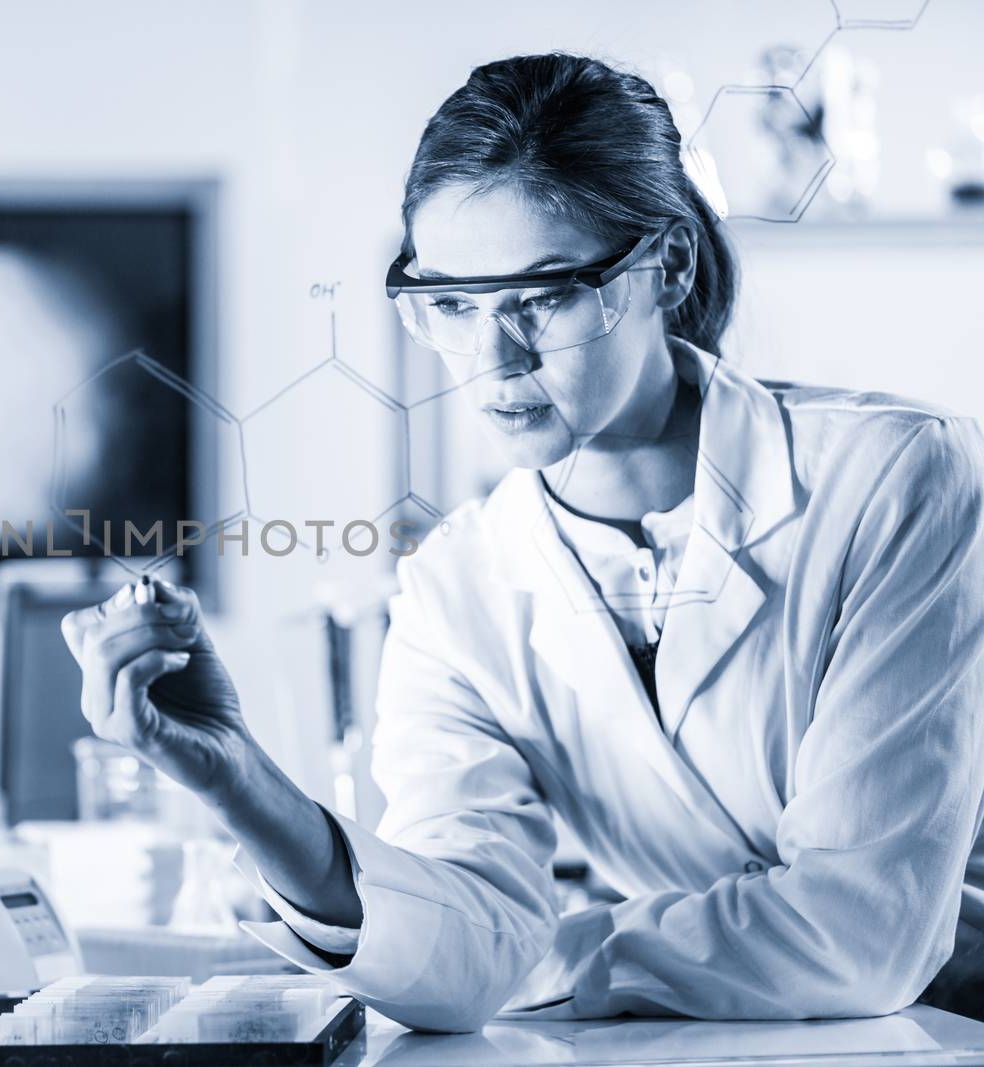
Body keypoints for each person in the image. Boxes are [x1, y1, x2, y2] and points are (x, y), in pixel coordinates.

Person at [60, 52, 984, 1031]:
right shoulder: (457, 584)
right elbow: (455, 946)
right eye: (451, 304)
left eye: (541, 296)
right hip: (728, 1036)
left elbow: (857, 935)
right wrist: (235, 774)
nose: (492, 360)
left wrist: (538, 950)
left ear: (665, 264)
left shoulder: (892, 476)